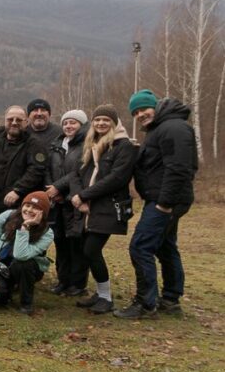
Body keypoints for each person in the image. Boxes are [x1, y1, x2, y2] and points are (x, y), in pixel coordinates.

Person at [115, 90, 198, 319]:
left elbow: (179, 167)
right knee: (165, 246)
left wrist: (164, 203)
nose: (141, 114)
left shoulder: (173, 128)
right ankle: (171, 299)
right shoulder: (161, 129)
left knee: (140, 246)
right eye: (136, 112)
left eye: (144, 109)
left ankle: (145, 304)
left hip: (165, 201)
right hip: (164, 198)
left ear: (156, 106)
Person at [60, 105, 136, 314]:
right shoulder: (90, 144)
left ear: (114, 122)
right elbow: (75, 173)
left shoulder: (124, 147)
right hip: (86, 207)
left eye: (106, 120)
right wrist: (77, 196)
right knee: (87, 251)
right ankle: (101, 294)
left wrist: (85, 195)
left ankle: (106, 297)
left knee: (91, 250)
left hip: (107, 207)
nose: (101, 123)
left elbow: (117, 179)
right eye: (97, 120)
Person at [0, 191, 55, 315]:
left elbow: (21, 255)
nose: (29, 210)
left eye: (36, 208)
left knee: (23, 263)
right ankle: (7, 290)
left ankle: (26, 303)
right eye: (27, 205)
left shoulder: (47, 233)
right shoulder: (7, 216)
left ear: (43, 212)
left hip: (26, 268)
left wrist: (25, 227)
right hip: (1, 265)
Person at [44, 109, 89, 297]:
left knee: (76, 242)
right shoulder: (56, 144)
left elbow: (78, 171)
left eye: (73, 123)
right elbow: (47, 168)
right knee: (60, 241)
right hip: (57, 201)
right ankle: (63, 280)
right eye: (66, 123)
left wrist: (59, 188)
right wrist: (53, 191)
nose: (69, 126)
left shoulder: (87, 145)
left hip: (76, 200)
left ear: (82, 125)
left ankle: (77, 284)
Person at [0, 106, 47, 225]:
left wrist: (18, 190)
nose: (14, 123)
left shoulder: (35, 144)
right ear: (4, 120)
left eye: (19, 120)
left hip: (15, 201)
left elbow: (36, 170)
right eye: (10, 119)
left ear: (26, 122)